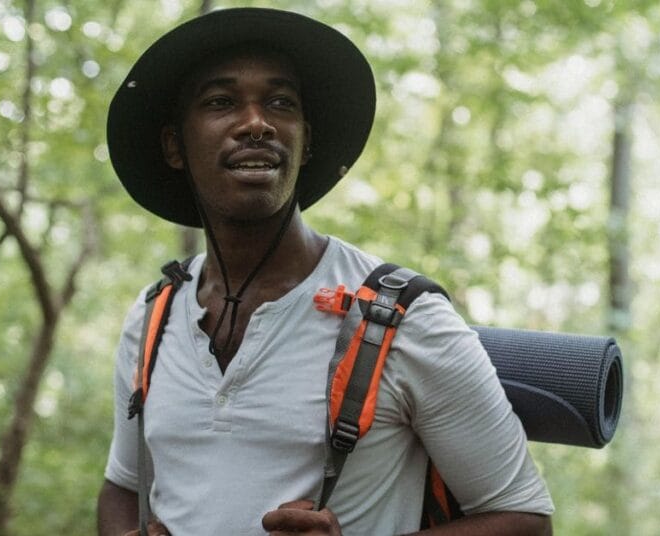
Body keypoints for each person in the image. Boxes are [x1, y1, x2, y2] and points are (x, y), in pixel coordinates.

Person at [97, 8, 553, 535]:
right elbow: (123, 487)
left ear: (305, 140)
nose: (256, 123)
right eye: (221, 102)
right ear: (175, 146)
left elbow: (525, 518)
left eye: (280, 103)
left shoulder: (401, 319)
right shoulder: (155, 314)